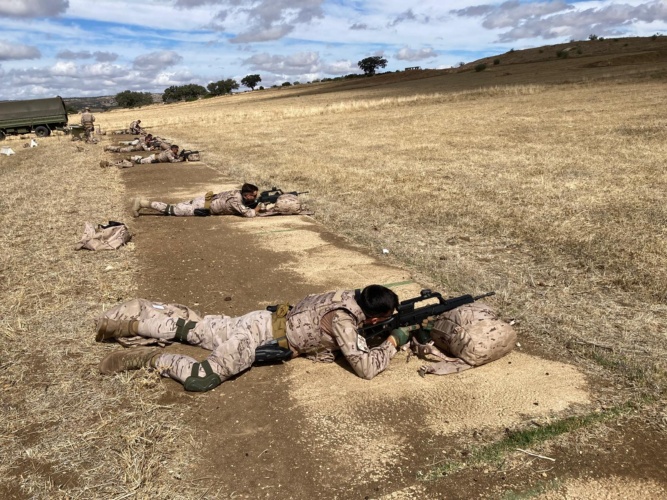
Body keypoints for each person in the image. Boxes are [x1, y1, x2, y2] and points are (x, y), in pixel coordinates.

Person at [96, 285, 405, 392]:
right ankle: (148, 358)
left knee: (191, 330)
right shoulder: (344, 320)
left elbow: (319, 334)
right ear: (375, 318)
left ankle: (125, 326)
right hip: (257, 339)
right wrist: (394, 341)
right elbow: (365, 367)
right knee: (202, 379)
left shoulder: (347, 295)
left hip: (259, 320)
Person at [132, 182, 262, 217]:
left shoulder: (235, 192)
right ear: (246, 195)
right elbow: (248, 214)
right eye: (253, 196)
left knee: (174, 207)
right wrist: (257, 208)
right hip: (201, 207)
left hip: (203, 201)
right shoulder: (236, 200)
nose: (254, 198)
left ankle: (144, 203)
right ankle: (143, 203)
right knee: (171, 210)